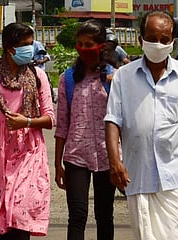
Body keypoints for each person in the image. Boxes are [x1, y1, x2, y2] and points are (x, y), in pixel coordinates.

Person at [104, 11, 178, 240]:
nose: (158, 44)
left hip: (174, 177)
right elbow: (113, 120)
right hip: (137, 174)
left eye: (164, 40)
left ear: (172, 41)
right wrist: (115, 161)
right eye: (152, 38)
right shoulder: (123, 77)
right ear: (141, 40)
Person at [0, 22, 55, 240]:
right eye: (25, 45)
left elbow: (49, 118)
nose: (30, 49)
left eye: (31, 44)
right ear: (10, 48)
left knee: (20, 212)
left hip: (29, 150)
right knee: (2, 218)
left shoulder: (38, 76)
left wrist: (26, 121)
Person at [54, 20, 118, 240]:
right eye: (79, 44)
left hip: (108, 156)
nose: (83, 49)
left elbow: (124, 121)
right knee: (77, 215)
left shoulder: (115, 78)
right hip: (75, 156)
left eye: (89, 44)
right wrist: (57, 163)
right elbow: (62, 123)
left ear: (101, 46)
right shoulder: (68, 79)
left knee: (104, 214)